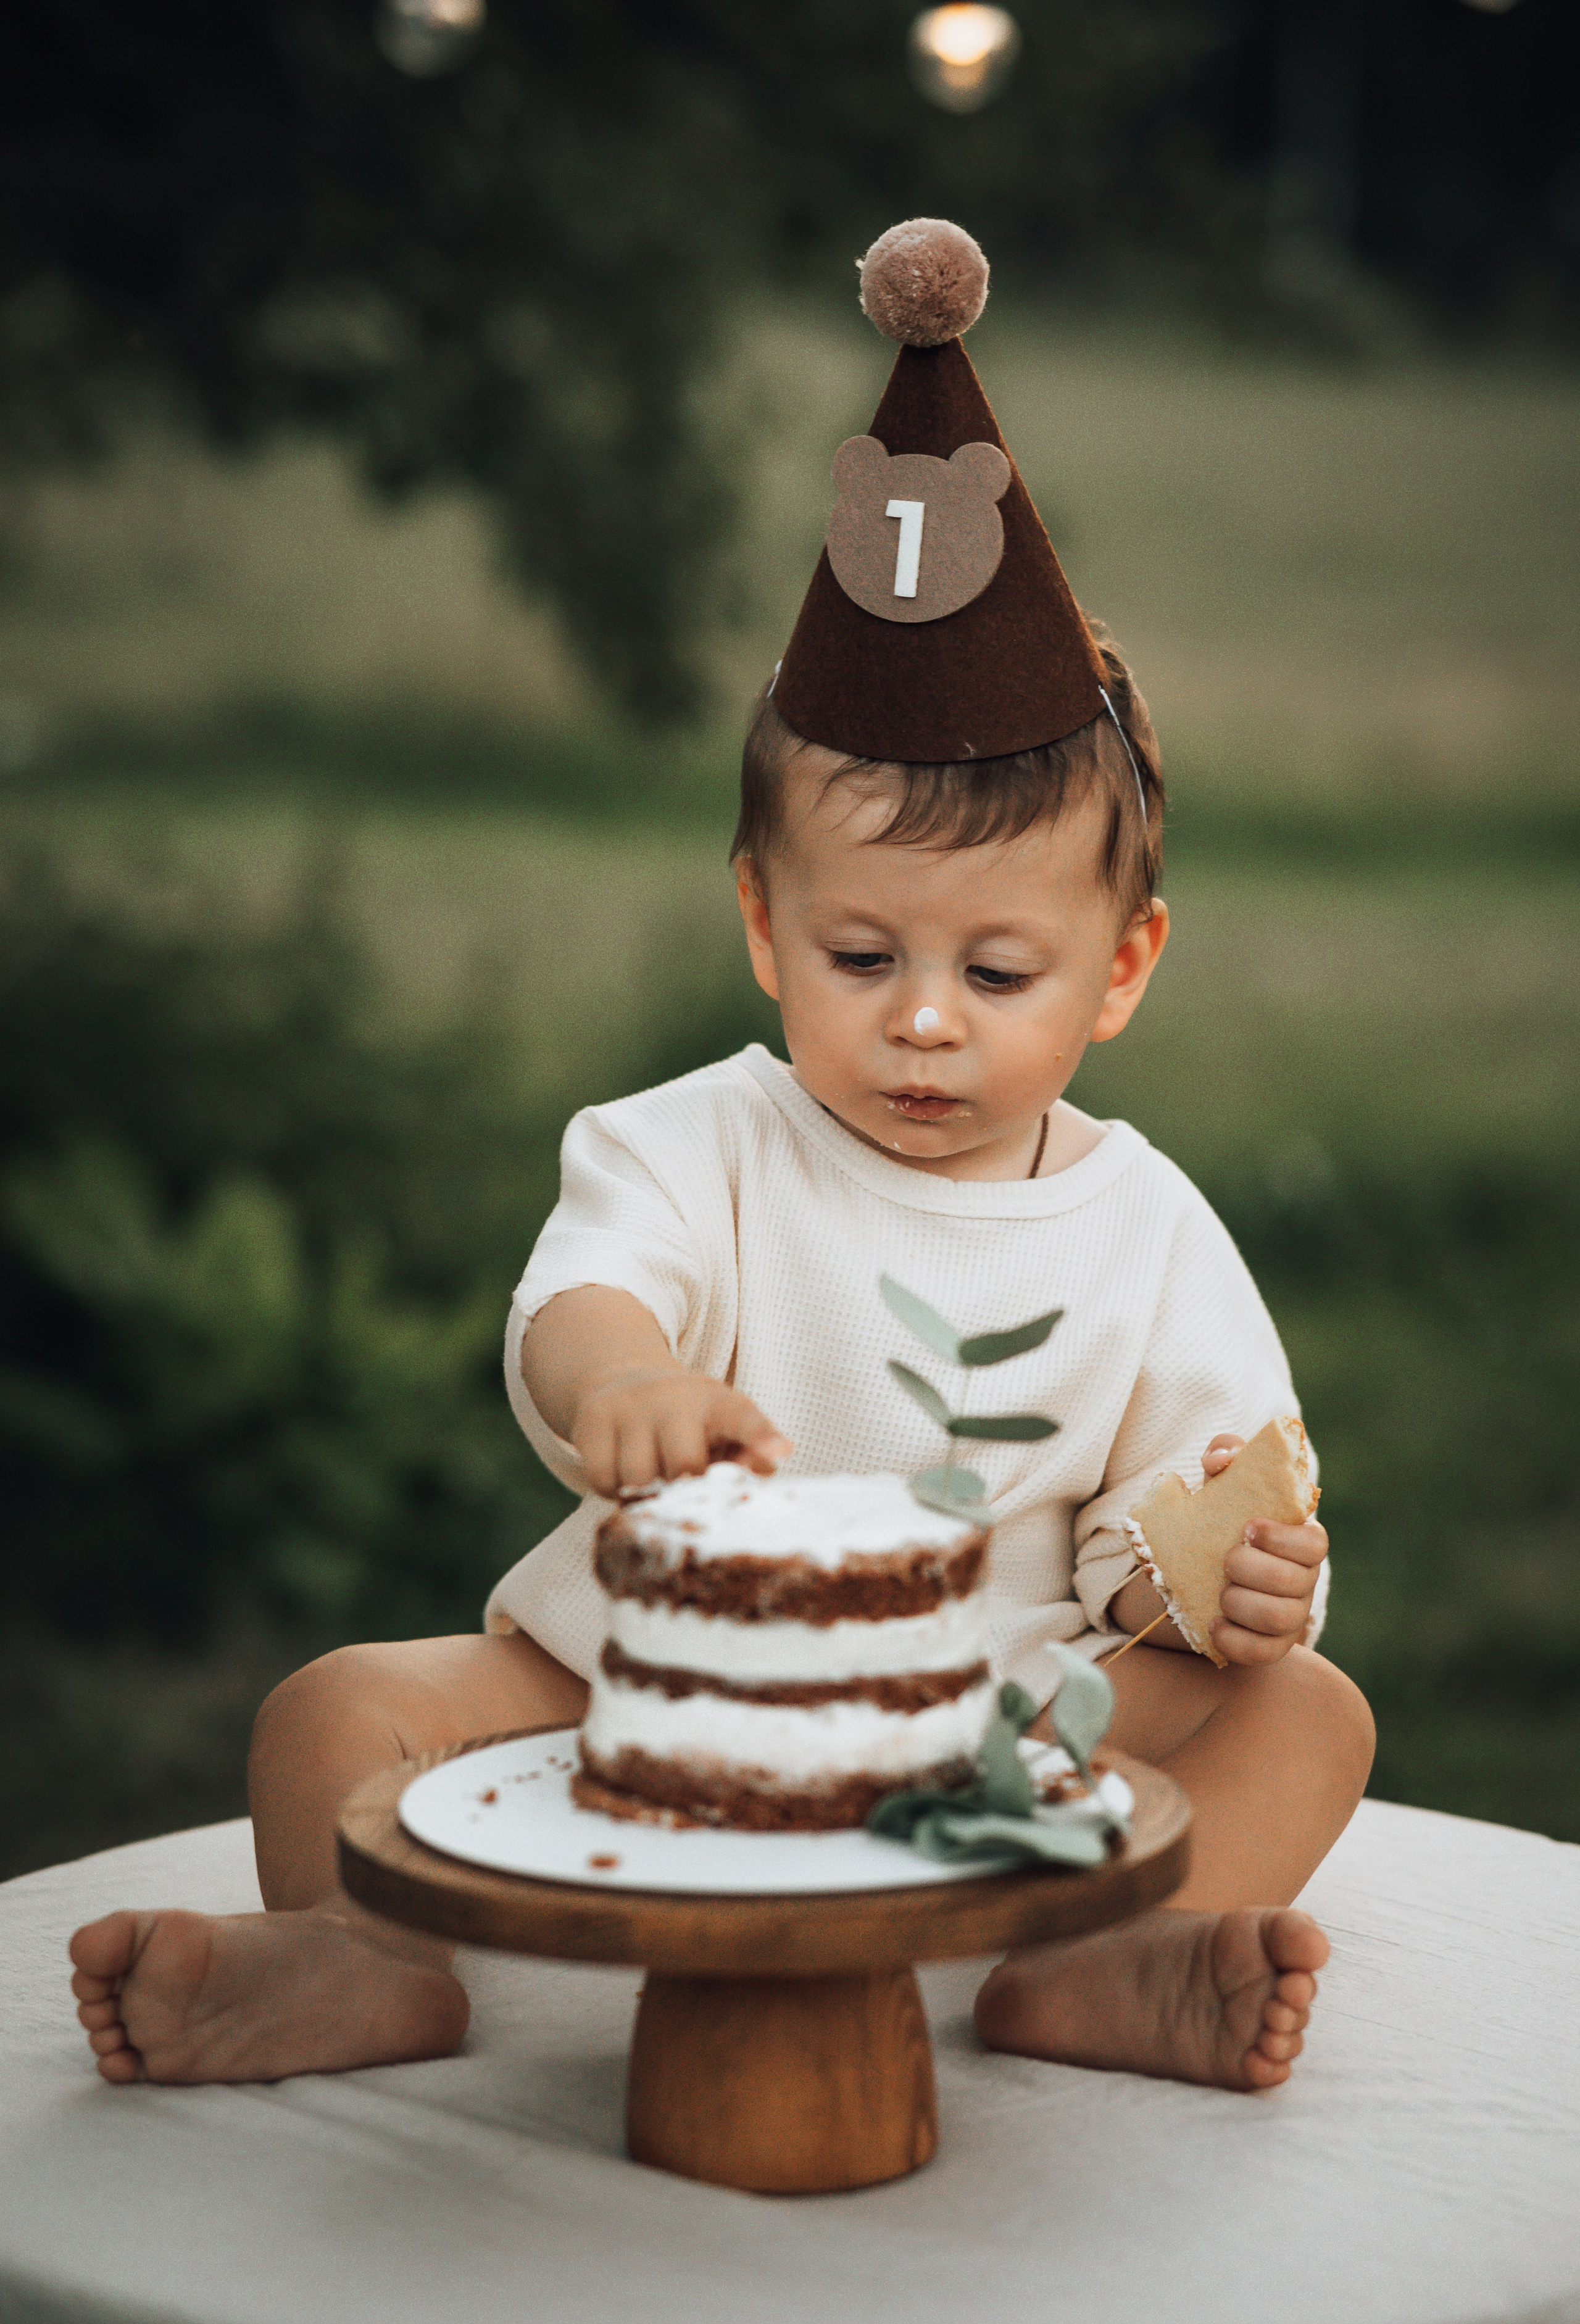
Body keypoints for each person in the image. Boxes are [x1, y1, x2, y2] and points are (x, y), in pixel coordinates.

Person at [67, 220, 1373, 2093]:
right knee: (335, 1709)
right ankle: (363, 1965)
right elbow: (580, 1304)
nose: (923, 1019)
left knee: (1305, 1713)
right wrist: (636, 1385)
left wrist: (1234, 1588)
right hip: (647, 1685)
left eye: (998, 970)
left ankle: (1099, 1967)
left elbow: (1198, 1508)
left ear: (1121, 970)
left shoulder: (1145, 1226)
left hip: (991, 1712)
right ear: (764, 927)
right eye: (862, 957)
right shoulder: (706, 1140)